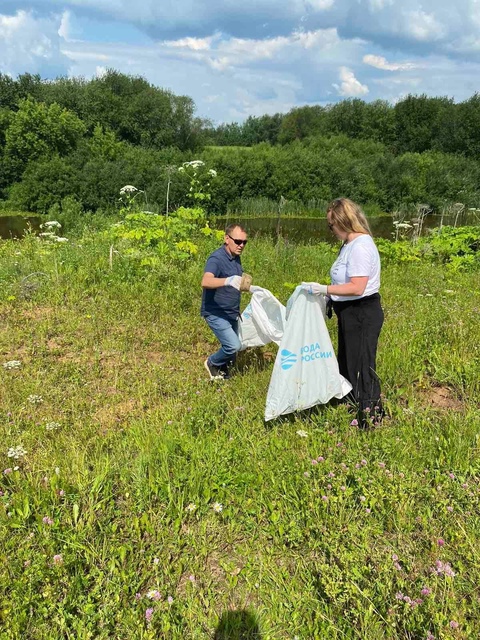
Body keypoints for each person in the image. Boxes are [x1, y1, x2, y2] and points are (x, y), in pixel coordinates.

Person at [302, 198, 384, 428]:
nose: (331, 230)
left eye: (331, 225)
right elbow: (344, 281)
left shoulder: (361, 246)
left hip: (362, 312)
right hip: (348, 312)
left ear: (343, 221)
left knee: (362, 364)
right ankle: (352, 404)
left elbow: (357, 287)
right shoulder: (348, 244)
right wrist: (329, 297)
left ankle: (370, 416)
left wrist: (325, 289)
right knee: (347, 362)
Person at [201, 224, 251, 380]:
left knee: (232, 355)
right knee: (233, 346)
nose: (241, 245)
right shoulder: (216, 258)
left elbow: (235, 284)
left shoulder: (236, 258)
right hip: (216, 313)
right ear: (227, 239)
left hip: (231, 313)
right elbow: (206, 281)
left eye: (244, 242)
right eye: (237, 241)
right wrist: (227, 281)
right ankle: (211, 362)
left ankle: (221, 375)